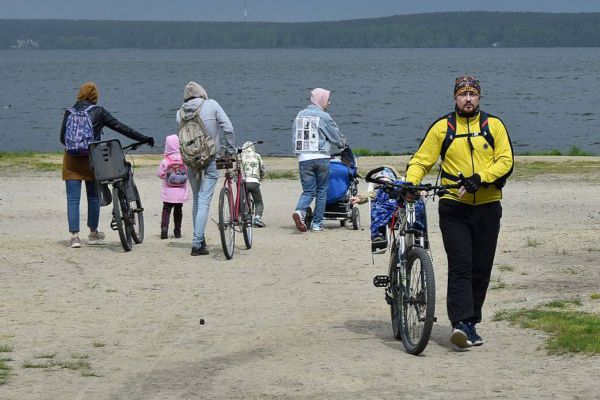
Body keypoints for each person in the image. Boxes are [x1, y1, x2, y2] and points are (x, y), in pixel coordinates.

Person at [405, 76, 513, 348]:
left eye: (472, 94)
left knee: (481, 268)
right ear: (455, 98)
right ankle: (461, 323)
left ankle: (471, 322)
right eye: (463, 94)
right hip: (454, 206)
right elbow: (421, 160)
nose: (468, 99)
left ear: (479, 98)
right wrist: (411, 182)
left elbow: (506, 161)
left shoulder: (494, 125)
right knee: (461, 264)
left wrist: (481, 177)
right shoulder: (443, 127)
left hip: (488, 206)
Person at [60, 81, 154, 248]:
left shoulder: (69, 112)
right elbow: (120, 127)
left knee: (72, 199)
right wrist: (143, 138)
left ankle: (74, 236)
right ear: (95, 96)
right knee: (93, 197)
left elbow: (62, 139)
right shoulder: (98, 111)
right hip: (91, 159)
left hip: (71, 160)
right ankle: (93, 233)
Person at [176, 81, 235, 256]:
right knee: (204, 200)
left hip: (190, 160)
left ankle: (199, 240)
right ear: (202, 92)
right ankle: (196, 243)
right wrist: (230, 150)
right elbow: (228, 128)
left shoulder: (179, 113)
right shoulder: (211, 104)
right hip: (210, 157)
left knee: (196, 199)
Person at [291, 88, 347, 232]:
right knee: (322, 191)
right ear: (322, 100)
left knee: (308, 191)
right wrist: (343, 145)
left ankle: (300, 211)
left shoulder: (300, 115)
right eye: (328, 99)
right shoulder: (324, 116)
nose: (330, 102)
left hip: (304, 158)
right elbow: (334, 136)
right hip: (321, 157)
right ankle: (317, 224)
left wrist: (298, 152)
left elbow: (294, 135)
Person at [351, 166, 426, 250]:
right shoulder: (379, 190)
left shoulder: (400, 185)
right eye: (380, 178)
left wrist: (422, 191)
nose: (384, 180)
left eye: (387, 177)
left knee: (417, 206)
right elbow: (371, 194)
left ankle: (418, 231)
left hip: (403, 209)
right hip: (386, 212)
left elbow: (413, 187)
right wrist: (359, 198)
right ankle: (378, 234)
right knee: (378, 208)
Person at [157, 134, 190, 239]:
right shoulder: (184, 159)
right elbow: (188, 173)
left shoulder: (166, 160)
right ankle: (177, 231)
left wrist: (166, 177)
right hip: (180, 191)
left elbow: (160, 174)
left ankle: (164, 228)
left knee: (166, 210)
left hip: (168, 191)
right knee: (178, 211)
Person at [241, 141, 266, 228]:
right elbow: (262, 169)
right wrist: (261, 177)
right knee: (258, 202)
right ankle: (258, 218)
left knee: (243, 200)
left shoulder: (240, 156)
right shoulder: (257, 156)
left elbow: (236, 169)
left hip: (243, 182)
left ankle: (246, 216)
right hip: (255, 181)